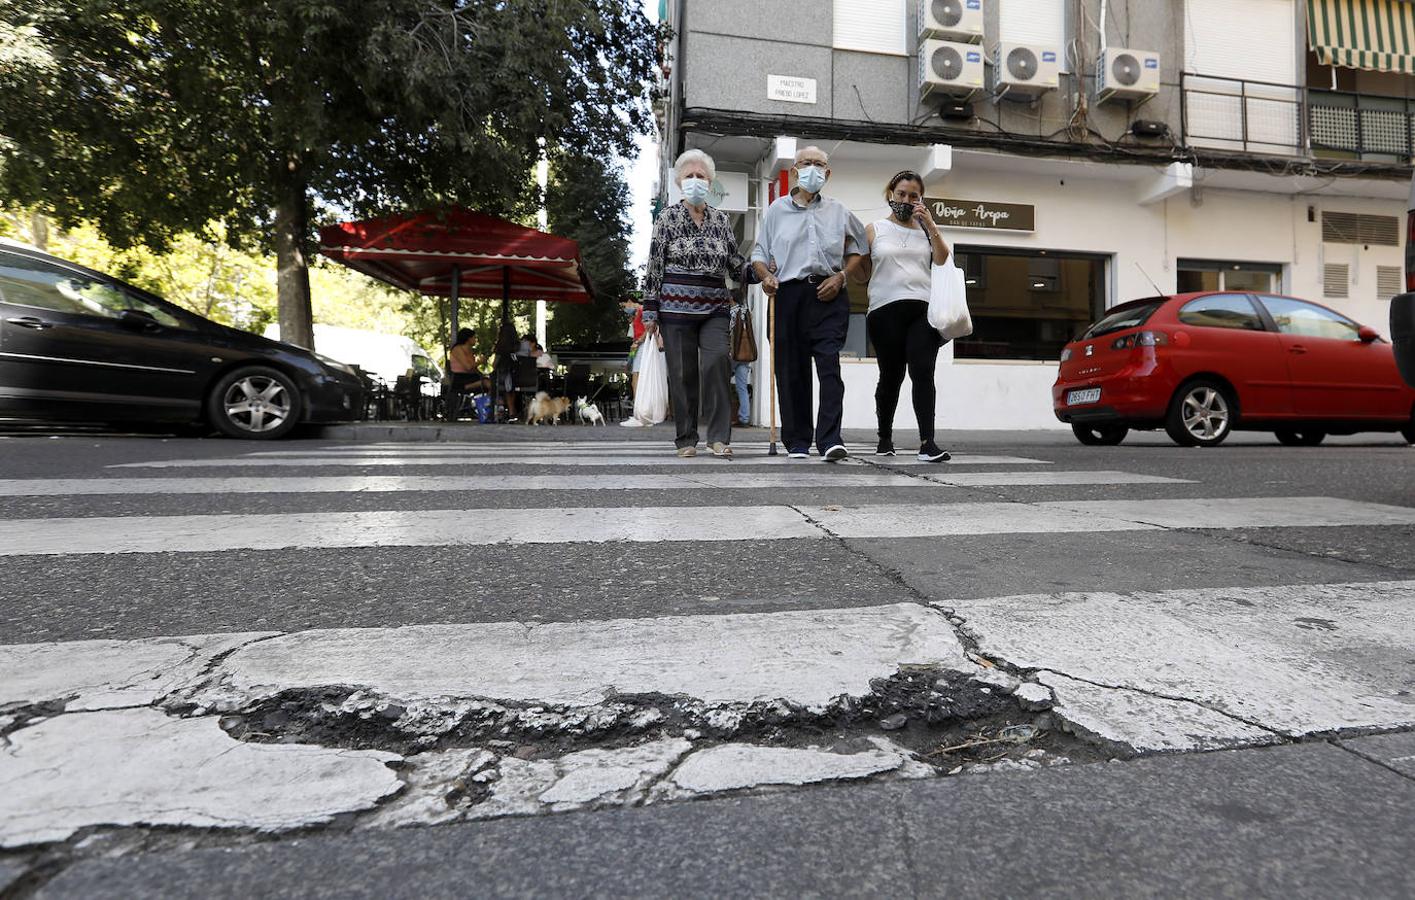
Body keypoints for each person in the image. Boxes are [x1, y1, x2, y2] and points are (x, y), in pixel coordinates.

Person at [751, 146, 867, 462]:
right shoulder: (776, 210)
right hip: (788, 296)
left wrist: (842, 276)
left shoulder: (839, 210)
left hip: (828, 294)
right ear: (795, 170)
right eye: (806, 163)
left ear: (827, 174)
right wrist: (765, 277)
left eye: (819, 164)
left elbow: (860, 247)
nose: (812, 169)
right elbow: (759, 254)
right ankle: (798, 441)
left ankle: (830, 439)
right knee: (791, 371)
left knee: (829, 367)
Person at [642, 148, 749, 458]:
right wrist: (650, 310)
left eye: (700, 176)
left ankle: (718, 437)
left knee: (717, 363)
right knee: (682, 373)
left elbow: (734, 263)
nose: (695, 181)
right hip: (674, 311)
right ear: (679, 181)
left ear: (710, 182)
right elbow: (654, 266)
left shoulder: (721, 220)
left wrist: (759, 271)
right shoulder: (667, 218)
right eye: (689, 176)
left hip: (715, 306)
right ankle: (686, 438)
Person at [852, 170, 952, 462]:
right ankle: (885, 437)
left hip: (922, 310)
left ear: (921, 199)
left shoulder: (925, 230)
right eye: (901, 194)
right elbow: (861, 273)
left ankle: (927, 443)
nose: (906, 200)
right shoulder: (875, 229)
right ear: (891, 195)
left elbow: (943, 258)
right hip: (884, 311)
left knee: (923, 372)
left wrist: (930, 223)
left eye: (913, 196)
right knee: (891, 376)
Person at [447, 328, 491, 395]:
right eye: (474, 337)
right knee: (487, 383)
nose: (475, 340)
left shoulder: (470, 350)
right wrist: (480, 362)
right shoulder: (458, 349)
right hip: (461, 379)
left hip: (470, 377)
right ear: (468, 338)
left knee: (491, 383)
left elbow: (473, 368)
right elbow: (468, 367)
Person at [493, 320, 520, 421]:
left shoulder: (500, 347)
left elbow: (494, 364)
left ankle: (507, 410)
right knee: (510, 385)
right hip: (519, 376)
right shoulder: (518, 347)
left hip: (503, 375)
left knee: (503, 385)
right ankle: (512, 410)